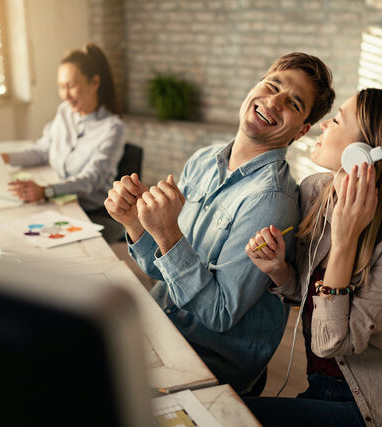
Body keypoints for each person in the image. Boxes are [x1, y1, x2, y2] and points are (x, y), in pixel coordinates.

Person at [105, 53, 336, 394]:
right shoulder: (203, 160)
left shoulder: (270, 200)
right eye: (271, 86)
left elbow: (218, 314)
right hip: (161, 327)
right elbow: (165, 272)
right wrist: (135, 224)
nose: (273, 101)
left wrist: (168, 234)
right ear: (255, 86)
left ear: (302, 131)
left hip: (205, 361)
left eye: (292, 103)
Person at [243, 88, 382, 426]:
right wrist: (279, 270)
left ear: (363, 154)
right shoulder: (316, 193)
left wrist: (346, 239)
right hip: (319, 387)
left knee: (232, 415)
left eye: (336, 120)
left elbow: (328, 342)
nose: (322, 125)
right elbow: (306, 296)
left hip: (374, 408)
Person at [3, 42, 125, 241]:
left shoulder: (113, 128)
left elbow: (91, 179)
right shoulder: (64, 112)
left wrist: (46, 191)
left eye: (71, 86)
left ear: (95, 82)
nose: (65, 95)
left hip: (89, 213)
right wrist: (3, 157)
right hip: (56, 202)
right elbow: (42, 150)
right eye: (61, 87)